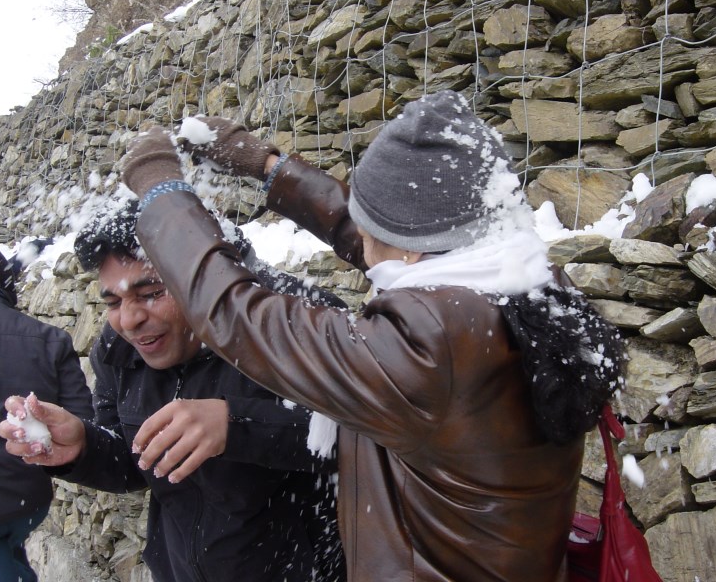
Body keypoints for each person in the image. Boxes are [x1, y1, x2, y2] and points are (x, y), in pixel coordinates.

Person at [114, 90, 627, 582]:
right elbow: (379, 233)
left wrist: (160, 190)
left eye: (371, 226)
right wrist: (266, 167)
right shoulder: (526, 285)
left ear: (409, 246)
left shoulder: (427, 351)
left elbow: (237, 313)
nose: (360, 237)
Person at [0, 200, 346, 582]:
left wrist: (235, 425)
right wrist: (82, 446)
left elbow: (370, 439)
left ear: (209, 275)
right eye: (113, 301)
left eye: (150, 293)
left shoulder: (294, 320)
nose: (129, 321)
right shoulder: (118, 351)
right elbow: (136, 461)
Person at [0, 239, 94, 582]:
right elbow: (83, 421)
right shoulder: (51, 339)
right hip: (28, 502)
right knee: (10, 556)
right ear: (9, 290)